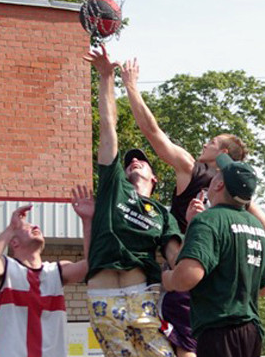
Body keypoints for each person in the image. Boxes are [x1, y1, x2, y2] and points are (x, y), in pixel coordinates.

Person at [120, 58, 265, 357]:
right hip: (233, 305)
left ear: (220, 155)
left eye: (211, 141)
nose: (203, 144)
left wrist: (131, 87)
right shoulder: (239, 200)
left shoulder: (193, 170)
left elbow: (153, 133)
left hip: (190, 277)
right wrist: (245, 282)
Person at [83, 44, 183, 357]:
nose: (134, 163)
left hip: (143, 295)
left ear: (155, 178)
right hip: (103, 297)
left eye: (142, 161)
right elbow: (108, 126)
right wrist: (105, 77)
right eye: (130, 162)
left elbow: (176, 257)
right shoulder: (114, 187)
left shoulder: (162, 215)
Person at [162, 153, 265, 357]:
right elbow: (264, 288)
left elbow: (188, 277)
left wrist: (168, 279)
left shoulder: (208, 220)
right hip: (251, 332)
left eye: (217, 175)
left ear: (219, 185)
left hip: (219, 332)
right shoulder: (255, 225)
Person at [0, 185, 93, 357]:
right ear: (14, 243)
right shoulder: (6, 268)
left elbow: (92, 265)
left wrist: (87, 221)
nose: (35, 226)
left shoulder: (55, 272)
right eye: (27, 227)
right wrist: (10, 229)